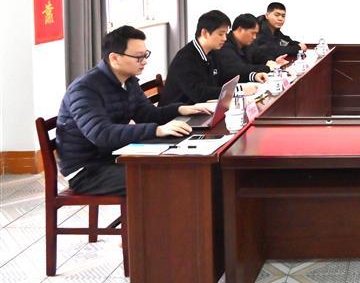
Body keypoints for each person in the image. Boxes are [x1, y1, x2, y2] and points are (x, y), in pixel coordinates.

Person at [55, 26, 212, 195]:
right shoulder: (85, 88)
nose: (144, 61)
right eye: (138, 57)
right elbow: (101, 133)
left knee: (182, 163)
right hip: (88, 170)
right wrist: (157, 130)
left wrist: (181, 109)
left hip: (116, 155)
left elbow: (147, 114)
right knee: (168, 176)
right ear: (115, 58)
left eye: (145, 55)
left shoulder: (128, 81)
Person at [159, 10, 232, 105]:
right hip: (177, 112)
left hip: (200, 107)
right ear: (204, 33)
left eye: (226, 34)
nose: (225, 38)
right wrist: (234, 91)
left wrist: (240, 87)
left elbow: (223, 79)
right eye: (221, 34)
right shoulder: (185, 59)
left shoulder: (212, 53)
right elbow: (199, 94)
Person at [216, 13, 288, 84]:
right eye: (253, 33)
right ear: (240, 29)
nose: (254, 37)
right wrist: (267, 67)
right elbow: (241, 69)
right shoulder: (224, 45)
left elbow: (260, 56)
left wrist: (274, 62)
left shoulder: (247, 44)